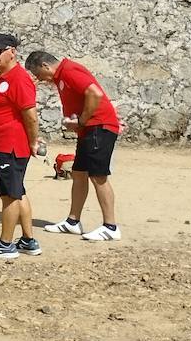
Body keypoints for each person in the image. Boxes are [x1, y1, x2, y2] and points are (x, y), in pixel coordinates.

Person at [26, 50, 122, 242]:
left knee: (98, 176)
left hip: (98, 127)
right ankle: (73, 221)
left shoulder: (69, 70)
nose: (40, 79)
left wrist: (81, 121)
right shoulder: (62, 75)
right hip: (89, 130)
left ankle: (110, 227)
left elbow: (94, 93)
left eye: (38, 74)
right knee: (79, 173)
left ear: (45, 66)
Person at [0, 33, 41, 258]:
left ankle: (5, 244)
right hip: (3, 144)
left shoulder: (18, 78)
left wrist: (33, 141)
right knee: (17, 191)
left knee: (9, 195)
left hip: (11, 146)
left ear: (12, 51)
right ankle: (28, 240)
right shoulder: (4, 77)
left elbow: (30, 115)